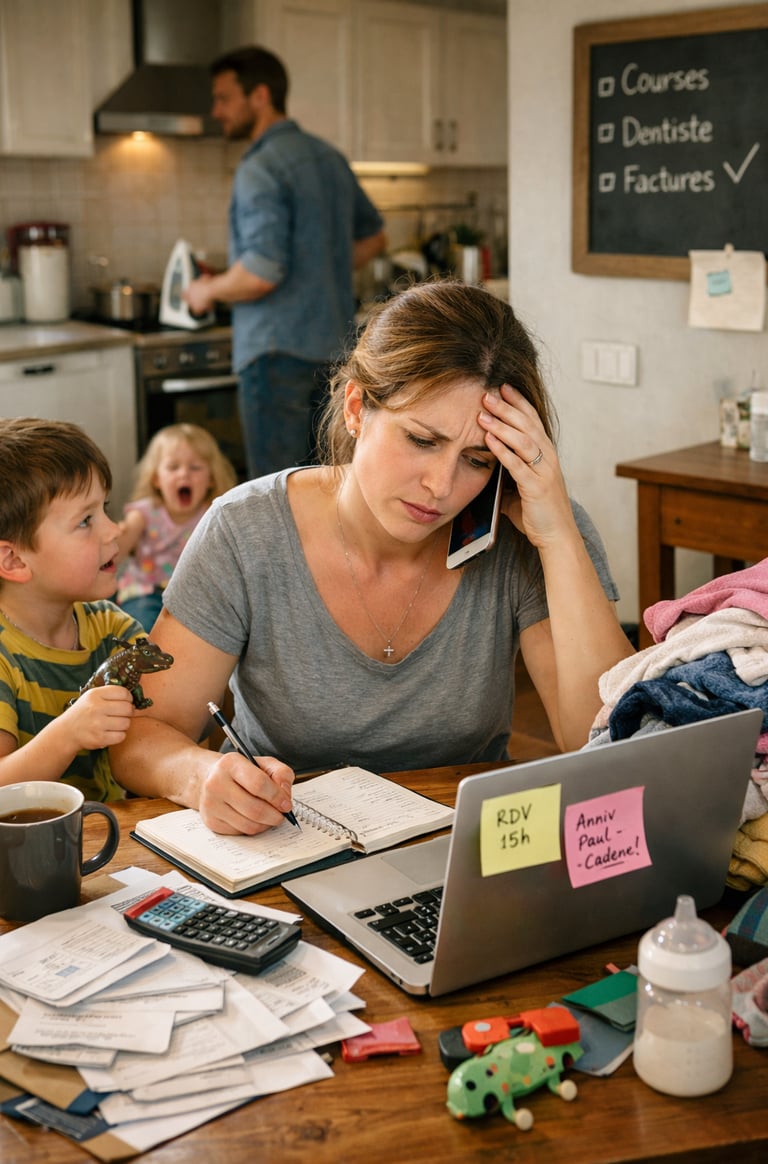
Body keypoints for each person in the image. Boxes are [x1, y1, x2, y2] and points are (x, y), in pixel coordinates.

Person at [112, 280, 635, 834]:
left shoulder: (534, 531)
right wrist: (200, 776)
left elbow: (607, 743)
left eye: (478, 460)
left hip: (458, 850)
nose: (441, 486)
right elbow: (142, 737)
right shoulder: (244, 530)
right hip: (287, 845)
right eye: (422, 440)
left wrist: (559, 538)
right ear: (357, 407)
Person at [183, 45, 387, 478]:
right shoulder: (329, 158)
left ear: (260, 96)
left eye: (224, 98)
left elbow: (261, 273)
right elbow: (375, 238)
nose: (216, 111)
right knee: (330, 484)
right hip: (336, 353)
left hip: (276, 357)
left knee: (276, 491)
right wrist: (323, 267)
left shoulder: (260, 167)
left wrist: (206, 290)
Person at [0, 418, 145, 800]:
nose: (114, 530)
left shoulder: (114, 628)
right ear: (14, 560)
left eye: (105, 509)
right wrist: (68, 733)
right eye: (85, 521)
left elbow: (173, 721)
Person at [115, 423, 237, 632]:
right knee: (143, 629)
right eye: (173, 467)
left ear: (211, 479)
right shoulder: (143, 513)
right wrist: (116, 536)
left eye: (195, 467)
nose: (184, 475)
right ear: (156, 479)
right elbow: (116, 551)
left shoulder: (214, 514)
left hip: (194, 598)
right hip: (145, 592)